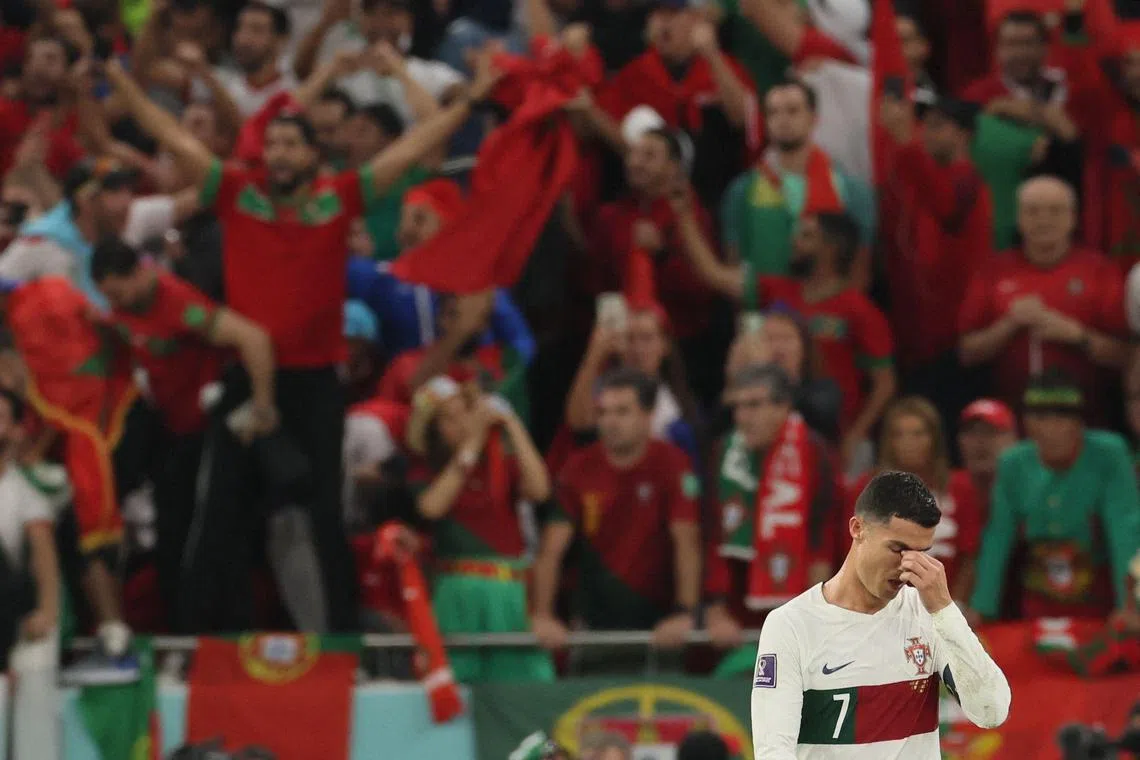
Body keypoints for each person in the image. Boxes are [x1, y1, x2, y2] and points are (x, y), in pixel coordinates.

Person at [104, 54, 499, 631]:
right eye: (274, 144)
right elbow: (171, 137)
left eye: (292, 145)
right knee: (216, 516)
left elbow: (409, 152)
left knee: (322, 517)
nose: (280, 154)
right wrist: (121, 82)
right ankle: (194, 649)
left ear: (315, 154)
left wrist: (467, 103)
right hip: (246, 381)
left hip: (315, 384)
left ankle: (338, 647)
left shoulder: (339, 197)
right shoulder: (236, 192)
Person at [751, 471, 1011, 757]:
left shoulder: (929, 615)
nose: (907, 566)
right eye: (897, 549)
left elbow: (991, 711)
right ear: (857, 528)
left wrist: (944, 609)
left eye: (921, 553)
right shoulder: (791, 625)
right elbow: (774, 752)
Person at [89, 238, 277, 631]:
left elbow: (254, 338)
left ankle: (220, 630)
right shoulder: (121, 309)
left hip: (209, 435)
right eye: (108, 296)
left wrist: (262, 407)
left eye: (118, 291)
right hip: (170, 433)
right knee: (171, 535)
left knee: (210, 537)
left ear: (140, 272)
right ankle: (179, 630)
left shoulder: (179, 304)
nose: (115, 302)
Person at [677, 203, 896, 472]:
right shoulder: (776, 290)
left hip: (834, 437)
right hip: (770, 431)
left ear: (831, 248)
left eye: (806, 236)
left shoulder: (860, 310)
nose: (794, 241)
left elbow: (884, 385)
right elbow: (713, 274)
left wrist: (855, 435)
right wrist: (684, 215)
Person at [531, 369, 702, 654]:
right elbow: (551, 549)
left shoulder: (673, 464)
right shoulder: (578, 468)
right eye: (603, 412)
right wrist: (542, 615)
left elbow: (687, 541)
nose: (610, 422)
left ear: (648, 417)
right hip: (592, 623)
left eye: (622, 412)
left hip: (660, 625)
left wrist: (684, 612)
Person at [407, 376, 554, 682]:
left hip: (509, 592)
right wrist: (473, 442)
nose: (461, 423)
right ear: (434, 430)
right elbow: (432, 507)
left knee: (522, 684)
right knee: (457, 683)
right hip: (457, 595)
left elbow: (540, 490)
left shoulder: (500, 465)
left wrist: (511, 423)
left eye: (465, 413)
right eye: (449, 418)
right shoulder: (424, 471)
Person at [969, 369, 1140, 622]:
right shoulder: (1013, 464)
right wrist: (980, 609)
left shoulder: (1109, 455)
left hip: (1099, 601)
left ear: (1079, 423)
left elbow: (1125, 530)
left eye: (1062, 418)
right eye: (1041, 418)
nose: (1052, 428)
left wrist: (1130, 606)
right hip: (1038, 600)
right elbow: (997, 538)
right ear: (1028, 425)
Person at [704, 363, 842, 677]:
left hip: (796, 607)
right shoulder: (723, 453)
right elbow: (713, 537)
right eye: (737, 406)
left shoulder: (814, 452)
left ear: (783, 407)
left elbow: (821, 539)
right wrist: (715, 611)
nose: (742, 417)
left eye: (754, 405)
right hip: (735, 621)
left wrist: (815, 615)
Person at [959, 176, 1128, 427]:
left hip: (1087, 421)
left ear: (1073, 217)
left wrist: (1077, 335)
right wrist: (1008, 325)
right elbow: (966, 353)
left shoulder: (1100, 271)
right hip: (1008, 422)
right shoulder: (992, 271)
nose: (1044, 220)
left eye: (1055, 211)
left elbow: (1127, 356)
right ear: (1019, 218)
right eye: (1032, 211)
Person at [878, 95, 993, 440]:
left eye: (938, 126)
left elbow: (948, 209)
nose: (926, 134)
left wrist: (905, 144)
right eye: (924, 126)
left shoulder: (966, 180)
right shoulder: (928, 181)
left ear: (965, 135)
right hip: (919, 336)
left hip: (954, 339)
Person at [721, 79, 874, 280]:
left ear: (813, 118)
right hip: (765, 307)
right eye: (773, 112)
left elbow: (860, 271)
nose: (782, 120)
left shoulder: (852, 190)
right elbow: (735, 264)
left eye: (792, 111)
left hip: (830, 308)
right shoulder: (741, 192)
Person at [846, 397, 984, 603]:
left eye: (918, 434)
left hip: (943, 601)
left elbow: (970, 555)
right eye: (899, 434)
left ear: (934, 439)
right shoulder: (866, 487)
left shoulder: (960, 486)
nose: (909, 443)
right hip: (879, 603)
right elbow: (852, 553)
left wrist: (954, 607)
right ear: (887, 441)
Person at [0, 388, 62, 760]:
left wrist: (48, 613)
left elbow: (43, 556)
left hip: (11, 613)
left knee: (37, 661)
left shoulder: (24, 492)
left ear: (16, 431)